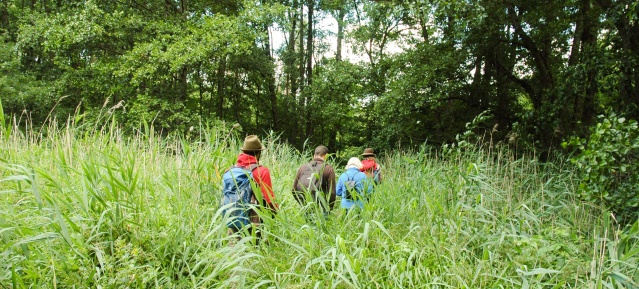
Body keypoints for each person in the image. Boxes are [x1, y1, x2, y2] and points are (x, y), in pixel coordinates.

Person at [226, 135, 277, 244]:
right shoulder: (262, 172)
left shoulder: (230, 171)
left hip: (232, 218)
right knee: (252, 252)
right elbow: (269, 201)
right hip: (253, 222)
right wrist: (276, 215)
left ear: (244, 152)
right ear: (258, 153)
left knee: (232, 253)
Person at [292, 145, 336, 216]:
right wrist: (329, 208)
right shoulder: (328, 168)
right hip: (321, 209)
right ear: (326, 155)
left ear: (314, 155)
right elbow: (332, 193)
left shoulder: (303, 167)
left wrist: (302, 204)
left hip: (306, 207)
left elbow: (294, 189)